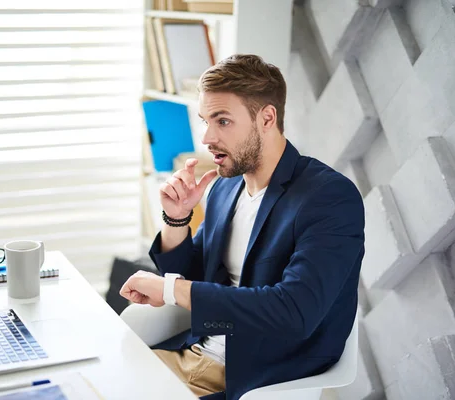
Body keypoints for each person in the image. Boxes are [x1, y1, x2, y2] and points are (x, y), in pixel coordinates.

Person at [119, 54, 365, 400]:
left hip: (252, 382)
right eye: (205, 121)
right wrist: (177, 219)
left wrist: (171, 290)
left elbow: (294, 312)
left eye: (222, 121)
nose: (207, 137)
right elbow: (195, 278)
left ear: (267, 117)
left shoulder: (329, 198)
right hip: (190, 356)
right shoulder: (226, 187)